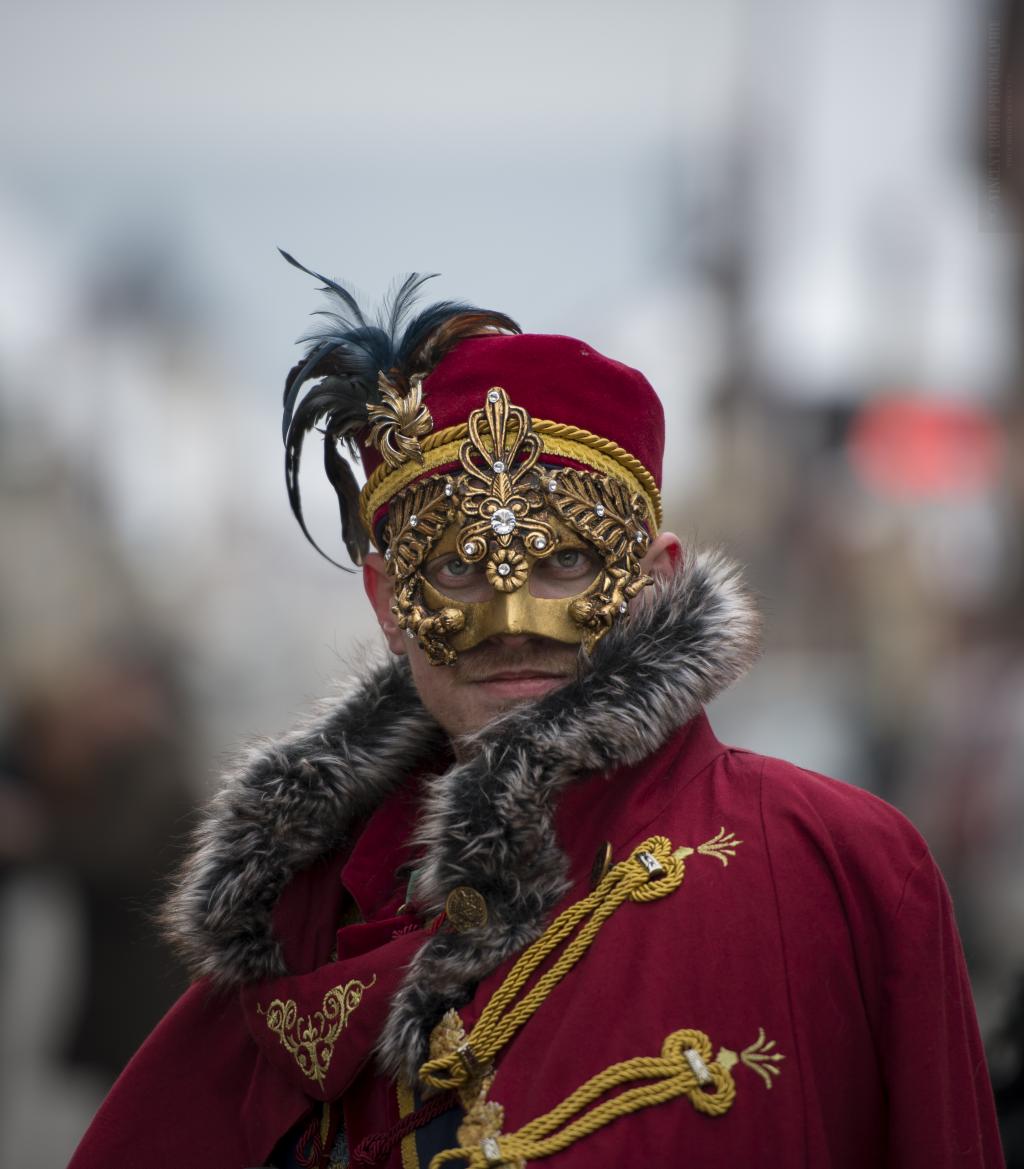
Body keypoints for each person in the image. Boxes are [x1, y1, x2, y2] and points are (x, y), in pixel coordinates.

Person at [69, 257, 1004, 1169]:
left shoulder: (847, 870)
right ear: (388, 601)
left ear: (657, 575)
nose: (511, 624)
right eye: (457, 569)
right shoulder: (305, 913)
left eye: (567, 563)